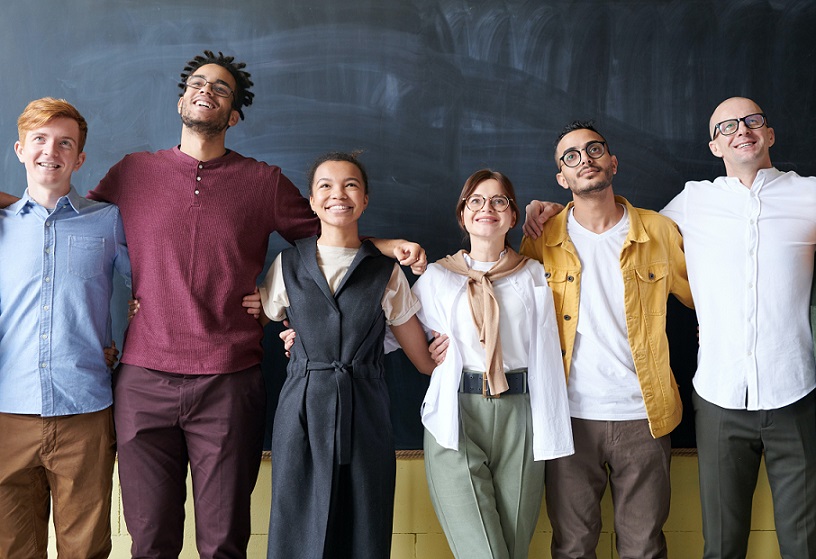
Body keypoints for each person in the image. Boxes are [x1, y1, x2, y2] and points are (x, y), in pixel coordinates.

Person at [86, 51, 426, 558]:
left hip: (229, 379)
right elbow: (73, 224)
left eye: (221, 89)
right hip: (143, 377)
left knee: (224, 541)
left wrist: (387, 245)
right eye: (198, 83)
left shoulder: (263, 182)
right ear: (182, 98)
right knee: (149, 540)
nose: (206, 91)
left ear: (234, 114)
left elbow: (329, 231)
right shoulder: (132, 173)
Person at [517, 121, 692, 558]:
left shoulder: (658, 231)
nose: (585, 160)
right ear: (562, 177)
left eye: (594, 150)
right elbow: (507, 305)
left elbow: (704, 299)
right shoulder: (542, 240)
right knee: (573, 547)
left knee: (644, 548)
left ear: (612, 162)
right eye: (571, 156)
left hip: (645, 415)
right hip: (568, 416)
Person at [256, 152, 435, 558]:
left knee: (364, 523)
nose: (339, 194)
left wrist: (449, 351)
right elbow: (253, 320)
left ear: (366, 199)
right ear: (312, 200)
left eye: (351, 185)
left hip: (365, 407)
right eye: (326, 186)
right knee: (297, 521)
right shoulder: (287, 264)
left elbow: (421, 359)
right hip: (301, 406)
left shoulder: (386, 271)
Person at [661, 97, 816, 558]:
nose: (741, 130)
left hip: (798, 394)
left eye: (752, 121)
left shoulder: (808, 193)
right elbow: (622, 234)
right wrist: (557, 212)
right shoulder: (691, 202)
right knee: (723, 546)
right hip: (720, 399)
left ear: (768, 134)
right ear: (715, 146)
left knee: (804, 545)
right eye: (727, 126)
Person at [412, 169, 574, 559]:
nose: (488, 209)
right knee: (483, 552)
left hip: (521, 414)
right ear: (463, 215)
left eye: (499, 201)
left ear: (513, 216)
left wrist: (552, 208)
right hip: (457, 412)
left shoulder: (534, 274)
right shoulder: (437, 277)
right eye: (476, 202)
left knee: (514, 547)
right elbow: (388, 326)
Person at [0, 98, 131, 558]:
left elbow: (161, 288)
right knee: (13, 548)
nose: (49, 151)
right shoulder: (0, 227)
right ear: (19, 149)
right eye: (39, 139)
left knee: (87, 549)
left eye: (64, 143)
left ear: (79, 158)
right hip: (6, 414)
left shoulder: (108, 222)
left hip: (85, 412)